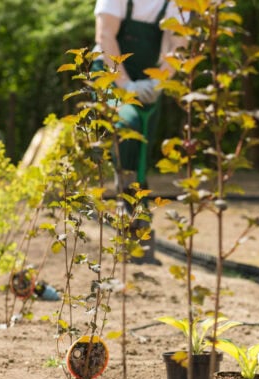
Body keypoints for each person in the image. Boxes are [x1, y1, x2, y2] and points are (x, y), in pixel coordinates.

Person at [93, 0, 186, 264]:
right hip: (110, 73)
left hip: (148, 79)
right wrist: (126, 85)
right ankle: (125, 196)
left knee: (144, 148)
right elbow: (105, 35)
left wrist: (161, 80)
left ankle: (138, 227)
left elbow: (177, 43)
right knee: (128, 123)